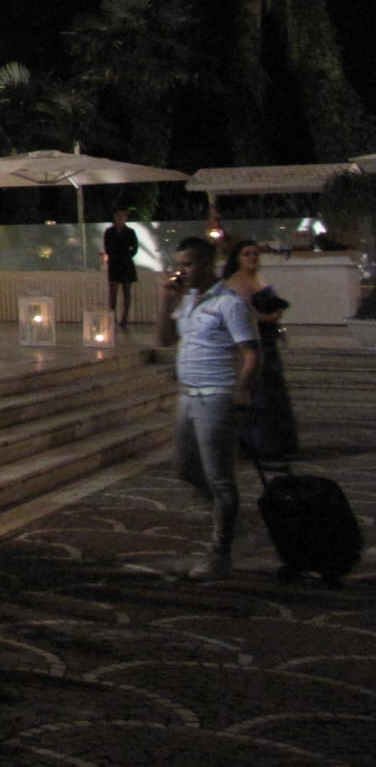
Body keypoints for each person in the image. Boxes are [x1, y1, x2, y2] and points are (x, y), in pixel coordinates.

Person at [156, 234, 259, 581]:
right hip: (188, 395)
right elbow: (164, 340)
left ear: (206, 263)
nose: (182, 271)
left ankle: (221, 553)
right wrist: (166, 302)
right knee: (186, 468)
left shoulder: (228, 303)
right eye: (180, 265)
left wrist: (241, 389)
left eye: (188, 264)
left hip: (216, 395)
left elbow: (251, 353)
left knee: (219, 478)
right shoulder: (188, 300)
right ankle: (235, 523)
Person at [216, 236, 299, 459]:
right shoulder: (236, 281)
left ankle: (278, 442)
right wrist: (270, 317)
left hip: (268, 339)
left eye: (255, 253)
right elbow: (243, 313)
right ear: (238, 258)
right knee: (260, 388)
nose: (252, 257)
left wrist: (276, 321)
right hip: (253, 339)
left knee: (273, 388)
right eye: (247, 254)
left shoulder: (259, 278)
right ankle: (258, 442)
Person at [100, 207, 139, 329]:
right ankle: (112, 317)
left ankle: (124, 319)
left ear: (125, 218)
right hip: (114, 264)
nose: (120, 219)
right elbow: (107, 247)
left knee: (127, 292)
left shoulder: (130, 232)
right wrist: (113, 256)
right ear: (115, 217)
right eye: (118, 216)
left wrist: (127, 255)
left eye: (122, 216)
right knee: (113, 293)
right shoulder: (109, 231)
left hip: (126, 264)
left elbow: (135, 247)